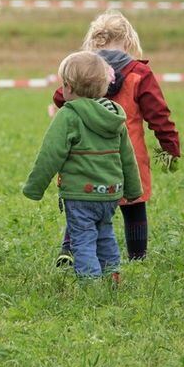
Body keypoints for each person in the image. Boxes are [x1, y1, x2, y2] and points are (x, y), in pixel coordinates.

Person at [52, 10, 180, 264]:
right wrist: (170, 145)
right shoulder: (139, 75)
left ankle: (69, 248)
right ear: (129, 41)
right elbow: (158, 113)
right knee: (134, 205)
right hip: (127, 156)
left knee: (83, 204)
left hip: (85, 156)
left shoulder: (83, 72)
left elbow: (59, 97)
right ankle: (137, 257)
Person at [23, 51, 143, 280]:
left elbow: (50, 154)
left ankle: (90, 282)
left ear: (68, 87)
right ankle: (111, 273)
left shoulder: (69, 115)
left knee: (83, 237)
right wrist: (133, 191)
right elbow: (128, 156)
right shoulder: (115, 116)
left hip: (81, 194)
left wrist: (34, 187)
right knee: (105, 232)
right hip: (110, 193)